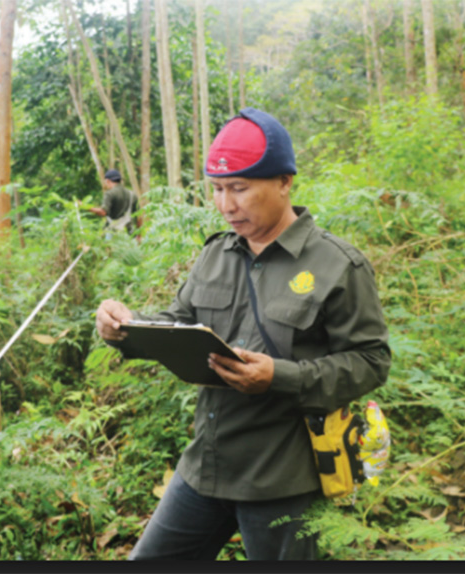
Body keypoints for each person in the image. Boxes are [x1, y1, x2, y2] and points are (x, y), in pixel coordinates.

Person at [95, 108, 391, 560]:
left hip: (282, 481)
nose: (226, 205)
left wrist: (281, 377)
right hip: (204, 468)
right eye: (217, 189)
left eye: (240, 188)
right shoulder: (217, 253)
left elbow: (370, 361)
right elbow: (180, 320)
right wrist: (125, 327)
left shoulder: (337, 266)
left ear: (284, 181)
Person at [86, 168, 139, 236]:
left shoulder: (110, 194)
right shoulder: (132, 195)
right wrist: (139, 235)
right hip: (128, 233)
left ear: (107, 181)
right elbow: (139, 216)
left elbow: (103, 212)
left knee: (108, 245)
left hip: (112, 233)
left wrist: (87, 207)